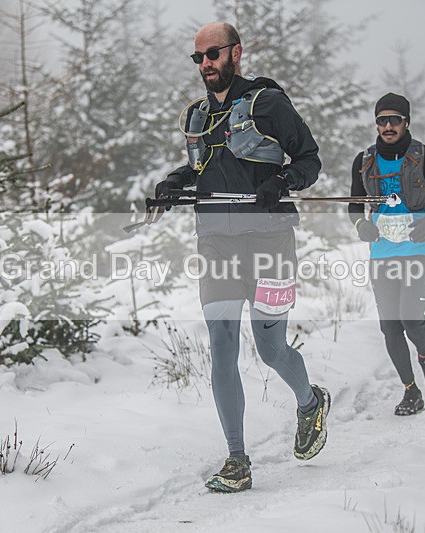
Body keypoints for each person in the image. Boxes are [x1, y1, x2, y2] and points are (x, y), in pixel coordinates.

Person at [154, 22, 330, 493]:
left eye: (213, 54)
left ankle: (310, 402)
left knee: (271, 349)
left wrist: (284, 180)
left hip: (271, 240)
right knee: (222, 346)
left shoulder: (268, 103)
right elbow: (202, 169)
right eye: (199, 58)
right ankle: (237, 459)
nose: (206, 64)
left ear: (236, 53)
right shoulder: (195, 115)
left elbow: (310, 160)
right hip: (216, 242)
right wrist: (174, 183)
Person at [348, 93, 425, 416]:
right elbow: (354, 204)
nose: (388, 126)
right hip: (381, 253)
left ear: (406, 122)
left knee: (410, 316)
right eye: (382, 120)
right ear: (376, 124)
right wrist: (360, 226)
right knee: (390, 326)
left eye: (395, 119)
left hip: (416, 249)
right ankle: (410, 391)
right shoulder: (364, 160)